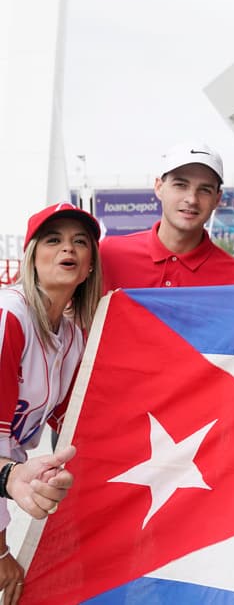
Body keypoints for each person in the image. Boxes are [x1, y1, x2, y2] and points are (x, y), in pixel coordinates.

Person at [0, 203, 101, 602]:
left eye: (80, 242)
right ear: (32, 256)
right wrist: (2, 549)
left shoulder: (72, 336)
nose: (68, 249)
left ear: (90, 265)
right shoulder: (10, 316)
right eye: (53, 239)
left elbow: (77, 424)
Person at [100, 142, 234, 291]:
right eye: (181, 185)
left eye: (205, 190)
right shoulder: (107, 256)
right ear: (159, 187)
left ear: (217, 199)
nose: (192, 199)